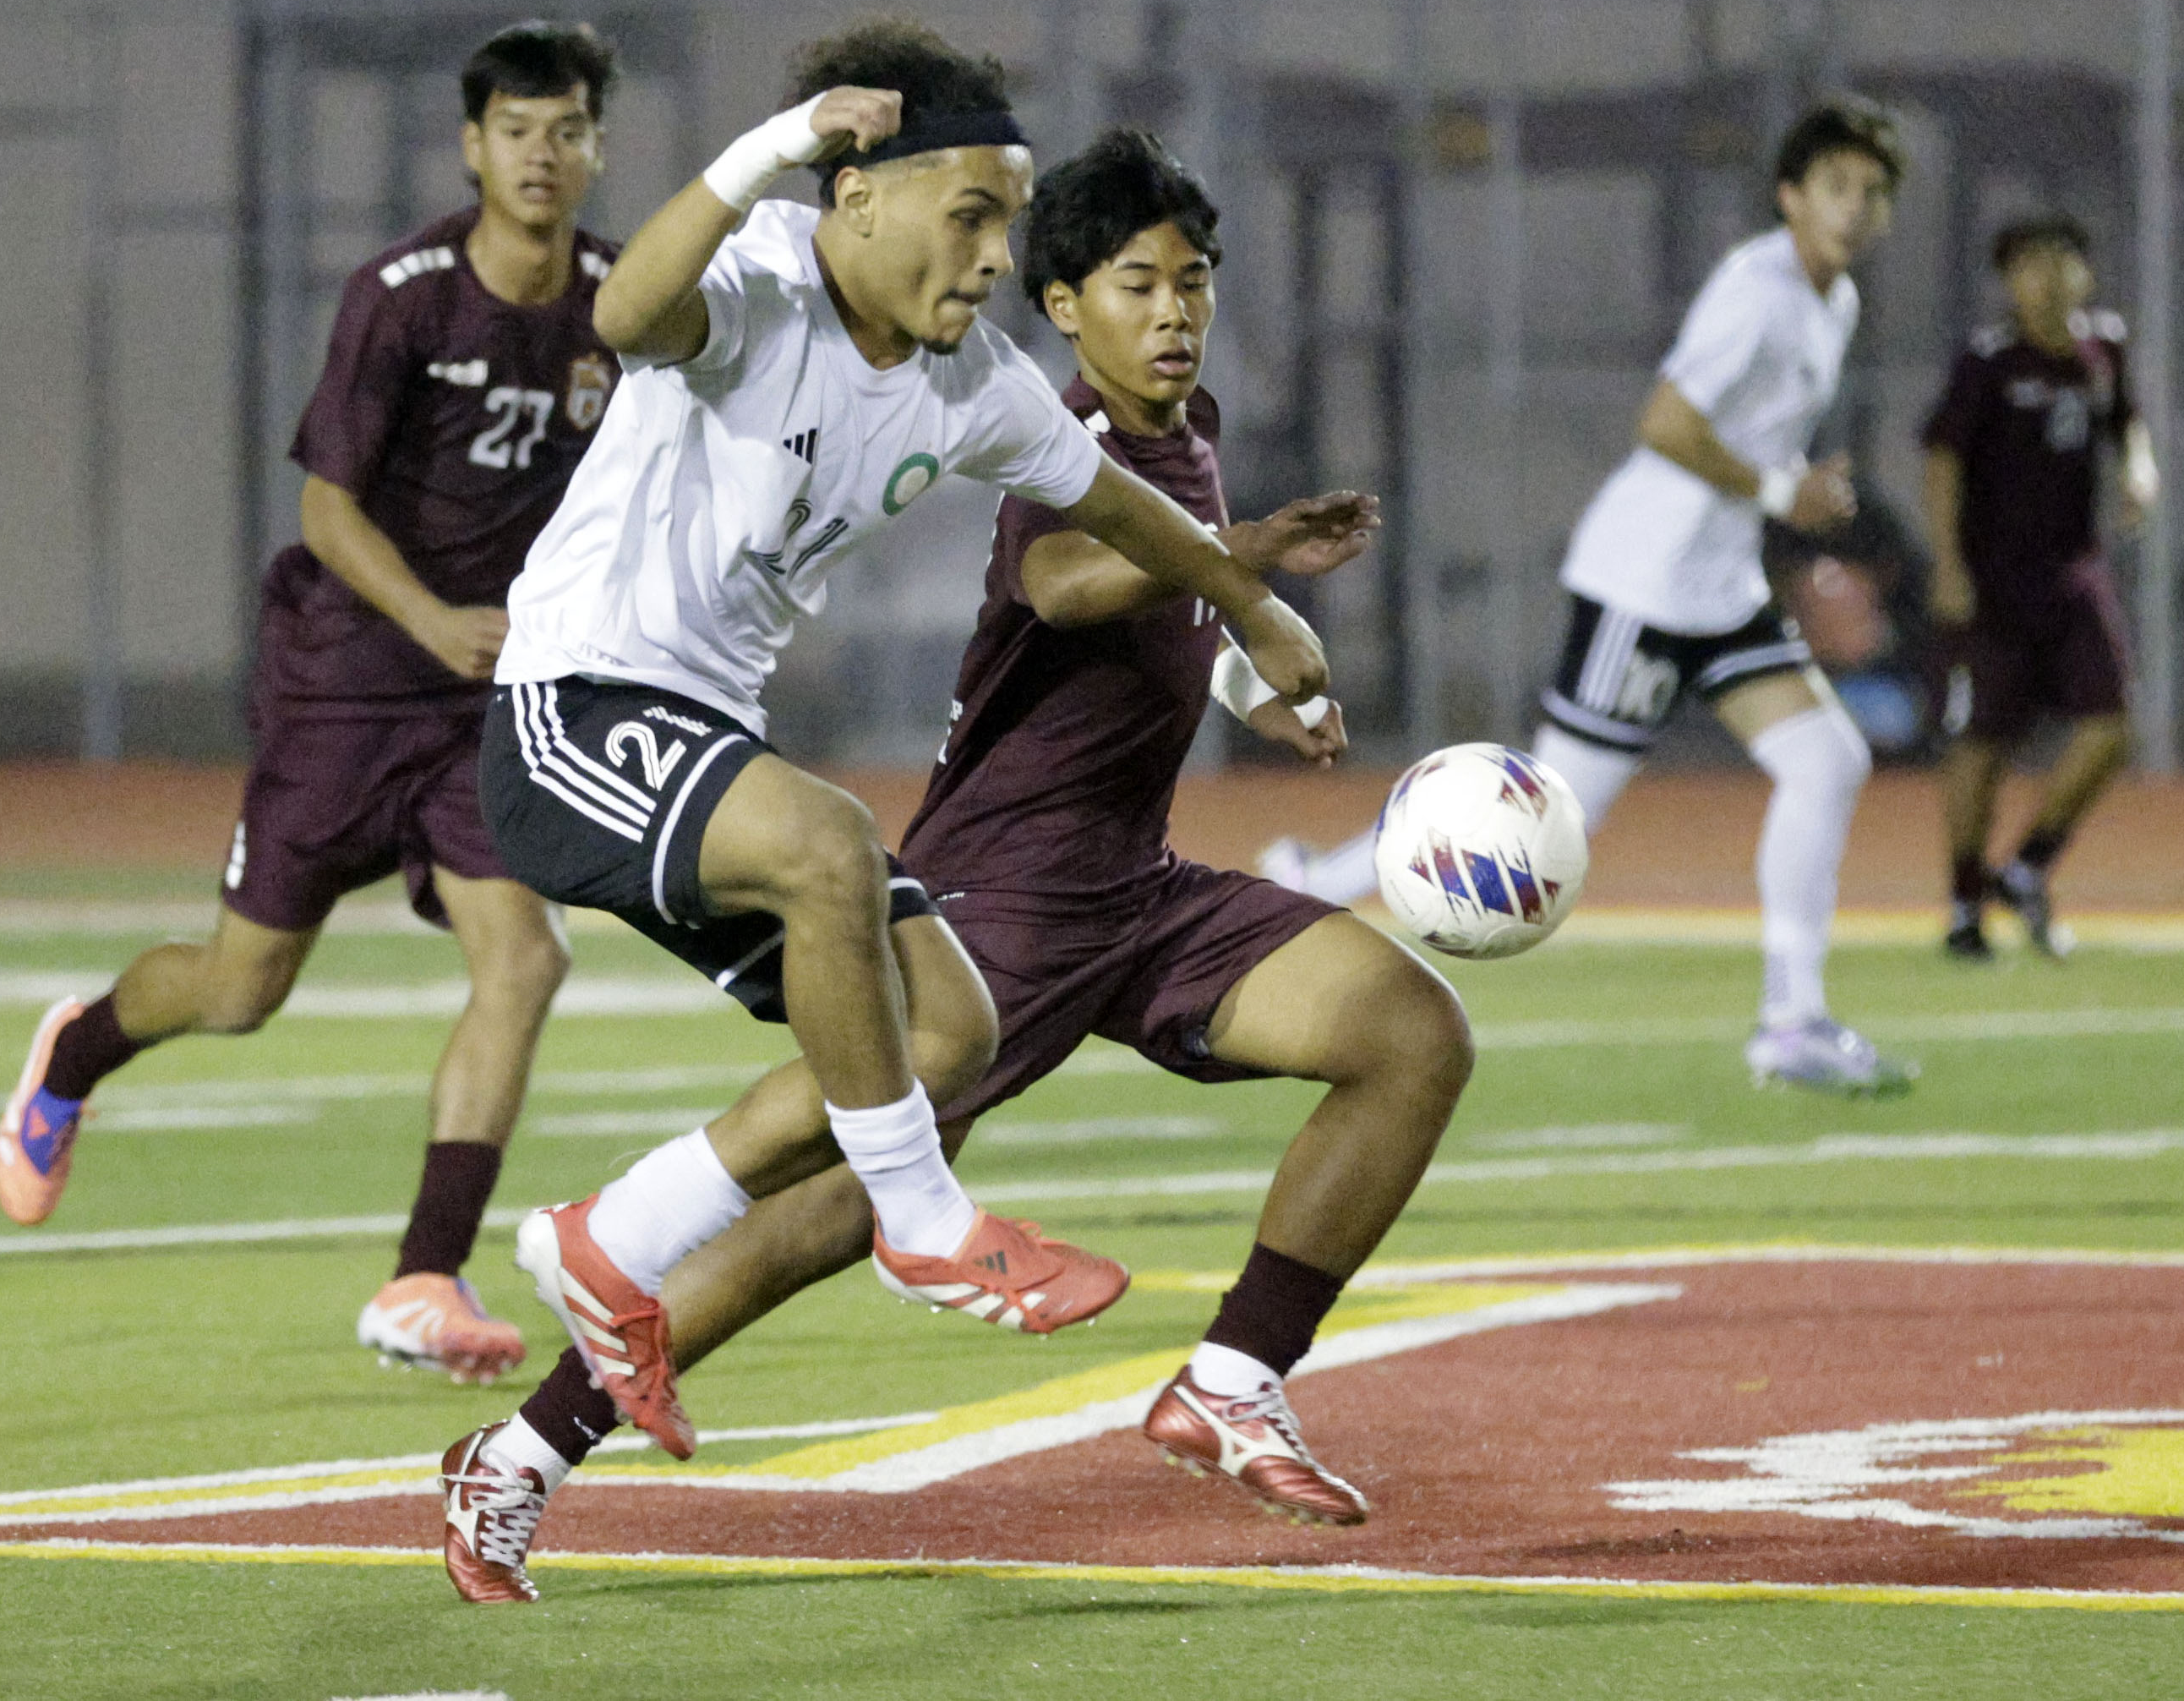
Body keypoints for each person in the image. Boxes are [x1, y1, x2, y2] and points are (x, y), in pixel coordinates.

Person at [436, 129, 1459, 1600]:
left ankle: (1233, 1375)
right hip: (1011, 890)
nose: (1172, 311)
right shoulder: (1055, 427)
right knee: (839, 1192)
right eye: (1136, 284)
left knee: (1409, 1032)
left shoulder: (1181, 427)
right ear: (1063, 305)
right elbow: (1060, 578)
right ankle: (526, 1449)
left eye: (1194, 283)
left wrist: (1246, 668)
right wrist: (1238, 563)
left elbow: (1143, 631)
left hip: (1139, 888)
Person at [0, 21, 625, 1382]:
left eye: (566, 128)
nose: (541, 153)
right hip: (347, 677)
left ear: (596, 147)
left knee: (526, 955)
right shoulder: (401, 293)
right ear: (472, 145)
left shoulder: (621, 304)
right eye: (516, 128)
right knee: (237, 990)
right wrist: (431, 618)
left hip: (485, 702)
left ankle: (422, 1273)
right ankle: (76, 1051)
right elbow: (324, 508)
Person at [1263, 100, 1914, 1097]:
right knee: (1548, 811)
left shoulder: (1836, 301)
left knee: (1825, 759)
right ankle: (1314, 884)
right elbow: (1665, 424)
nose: (1855, 207)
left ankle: (1794, 1021)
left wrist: (1775, 507)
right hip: (1645, 583)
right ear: (1790, 196)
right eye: (1836, 186)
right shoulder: (1759, 289)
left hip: (1720, 585)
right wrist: (1787, 494)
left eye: (1873, 192)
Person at [1924, 215, 2156, 959]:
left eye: (2061, 261)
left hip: (2072, 575)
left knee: (2112, 726)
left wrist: (2138, 467)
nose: (2047, 278)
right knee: (1981, 742)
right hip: (1993, 582)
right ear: (2008, 281)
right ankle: (1964, 903)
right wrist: (1950, 565)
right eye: (2028, 265)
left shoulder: (2103, 349)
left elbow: (2126, 422)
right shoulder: (1987, 361)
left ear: (2085, 273)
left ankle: (2026, 867)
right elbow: (1942, 461)